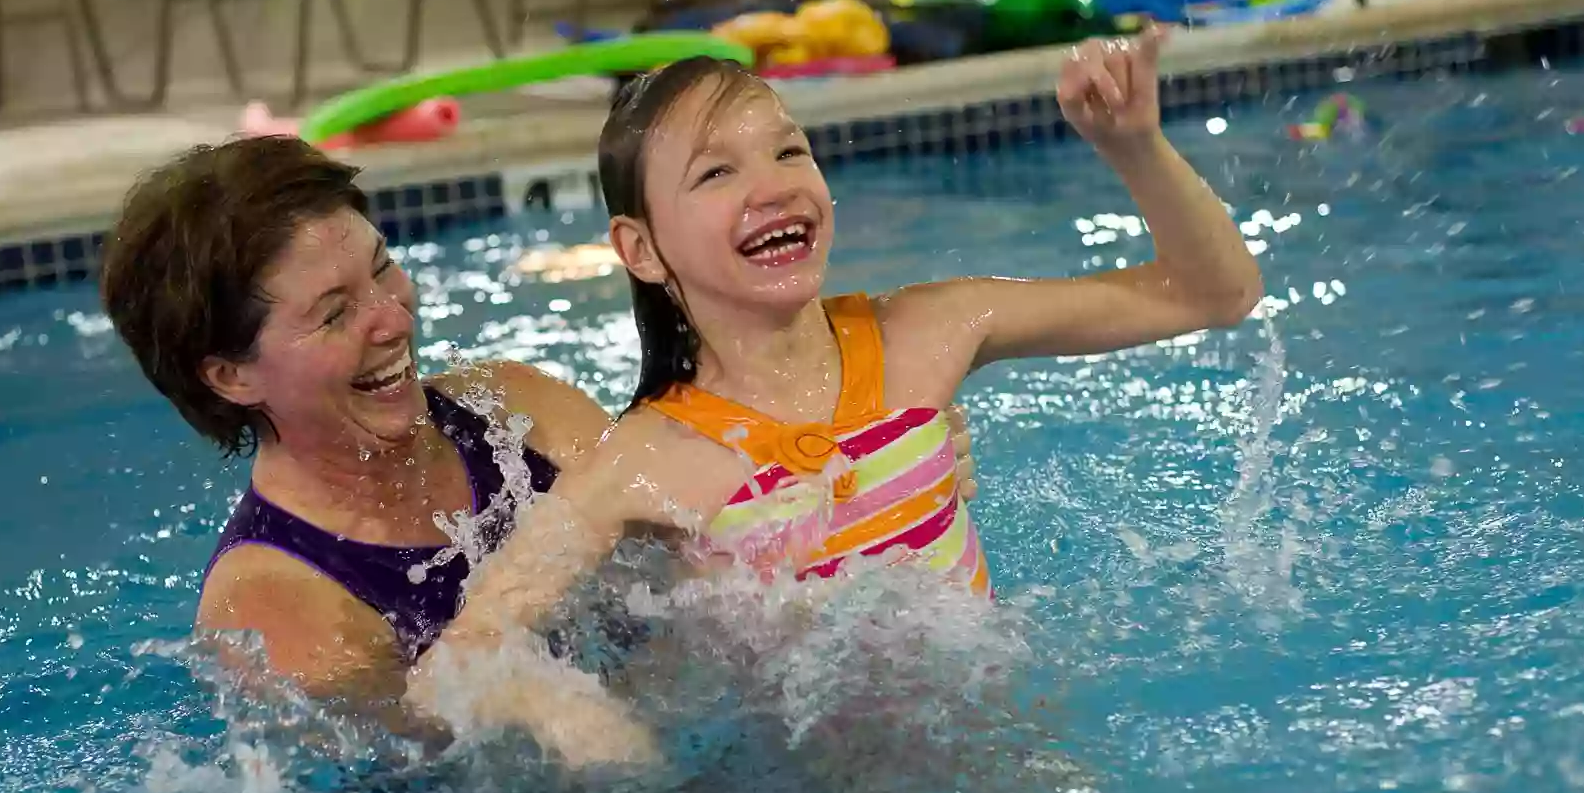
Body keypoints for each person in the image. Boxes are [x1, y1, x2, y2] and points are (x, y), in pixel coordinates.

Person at [405, 28, 1263, 761]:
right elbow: (454, 661)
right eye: (716, 174)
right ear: (641, 248)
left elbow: (1211, 293)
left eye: (789, 149)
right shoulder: (647, 464)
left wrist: (1135, 147)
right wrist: (573, 714)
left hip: (1016, 749)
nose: (773, 184)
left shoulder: (929, 335)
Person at [98, 136, 980, 743]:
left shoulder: (516, 411)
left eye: (381, 267)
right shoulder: (275, 606)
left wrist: (871, 468)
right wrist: (541, 708)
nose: (392, 315)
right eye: (334, 313)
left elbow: (711, 532)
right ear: (231, 376)